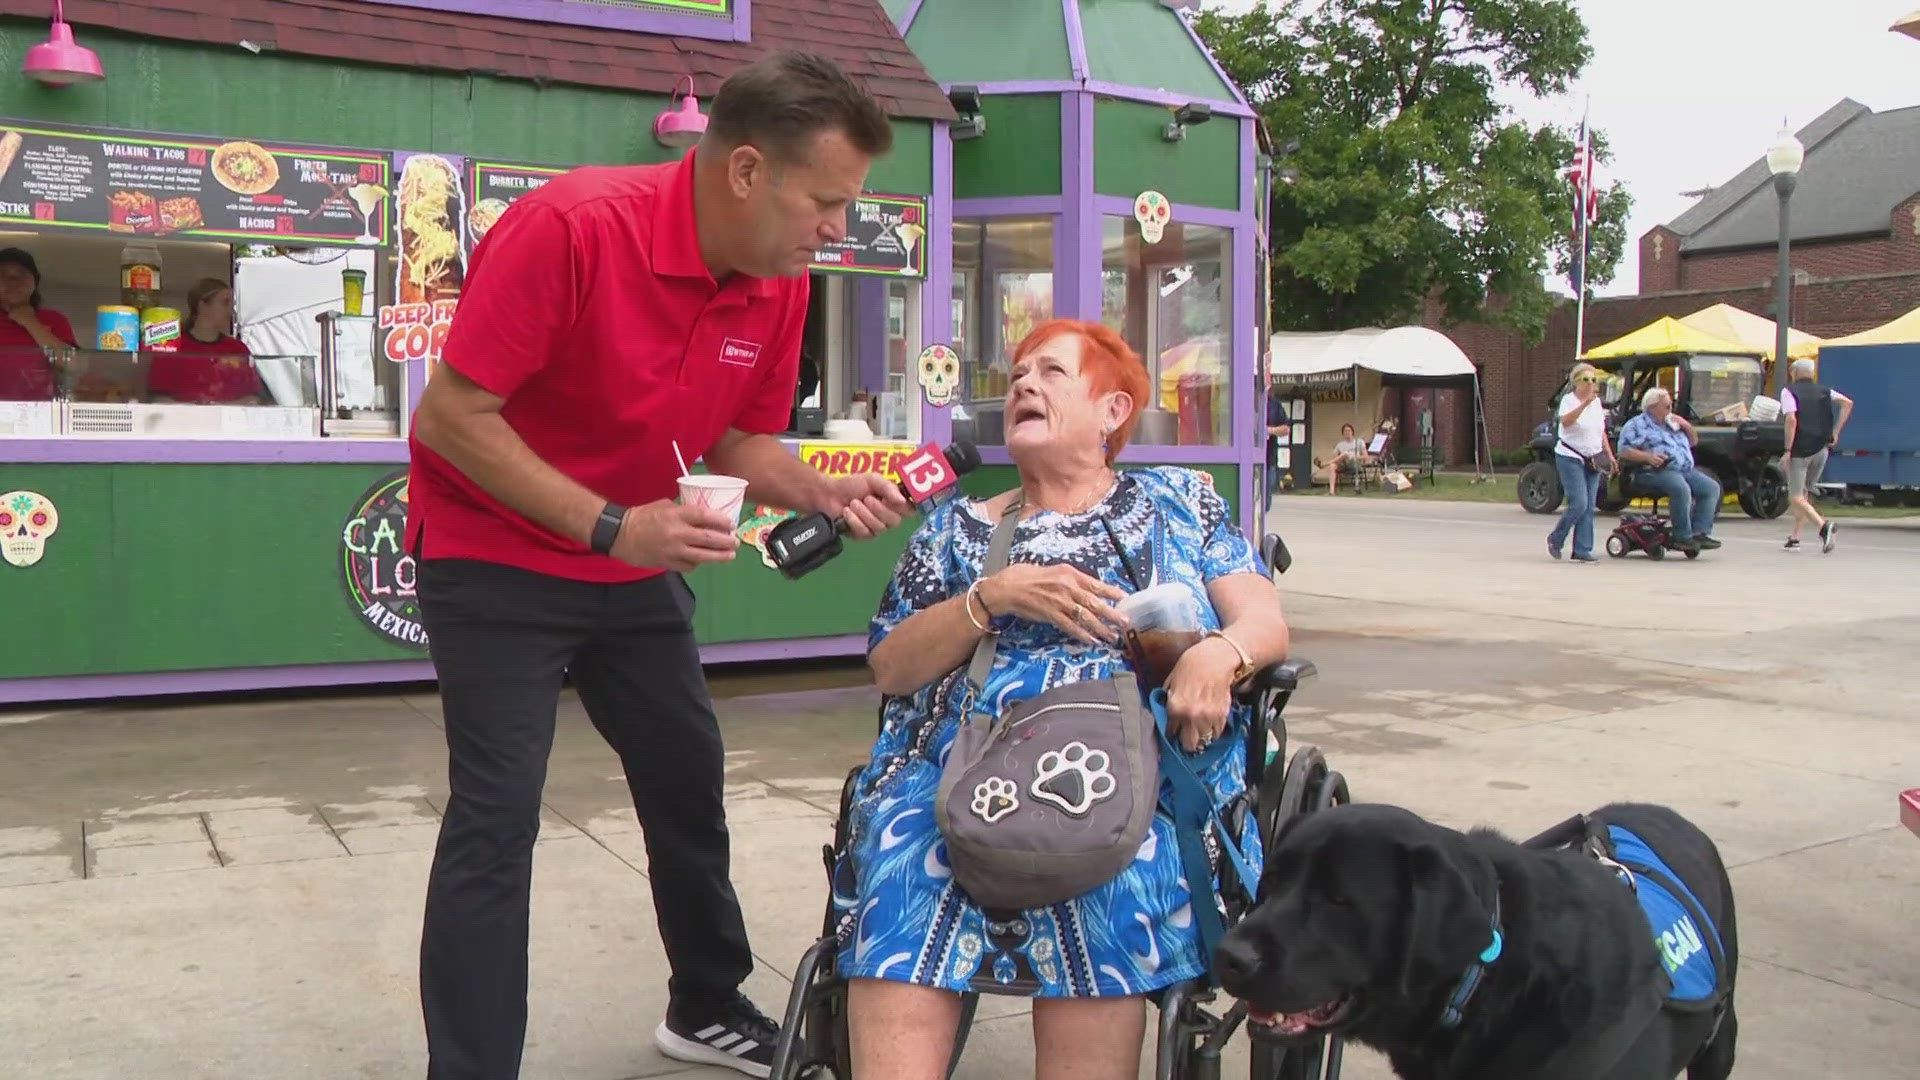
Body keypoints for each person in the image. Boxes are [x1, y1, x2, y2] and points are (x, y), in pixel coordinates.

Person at [405, 52, 908, 1080]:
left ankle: (707, 1002)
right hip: (495, 554)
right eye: (826, 201)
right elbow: (453, 418)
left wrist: (816, 487)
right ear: (745, 172)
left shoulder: (779, 281)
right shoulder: (574, 227)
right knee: (496, 818)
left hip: (630, 565)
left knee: (687, 774)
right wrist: (608, 528)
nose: (835, 228)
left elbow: (738, 441)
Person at [839, 319, 1292, 1078]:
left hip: (1140, 757)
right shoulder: (957, 530)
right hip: (962, 761)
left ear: (1113, 411)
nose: (1023, 384)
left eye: (1051, 372)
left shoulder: (1181, 503)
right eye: (1017, 374)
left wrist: (1222, 653)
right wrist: (990, 598)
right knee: (904, 861)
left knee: (1115, 862)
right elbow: (890, 667)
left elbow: (1263, 617)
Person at [1617, 387, 1721, 556]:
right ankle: (1682, 536)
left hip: (1682, 469)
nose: (1670, 409)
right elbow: (1624, 450)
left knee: (1711, 488)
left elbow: (1693, 441)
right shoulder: (1637, 424)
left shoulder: (1672, 423)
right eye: (1666, 406)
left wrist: (1685, 424)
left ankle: (1699, 533)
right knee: (1680, 488)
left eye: (1671, 405)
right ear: (1652, 407)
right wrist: (1648, 457)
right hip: (1651, 470)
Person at [148, 278, 266, 404]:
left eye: (232, 304)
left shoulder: (237, 349)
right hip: (182, 422)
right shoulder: (173, 347)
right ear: (202, 305)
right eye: (225, 302)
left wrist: (221, 409)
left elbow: (253, 398)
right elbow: (158, 398)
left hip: (229, 421)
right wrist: (194, 412)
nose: (231, 310)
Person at [1779, 357, 1852, 553]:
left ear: (1794, 373)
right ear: (1812, 373)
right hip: (1821, 449)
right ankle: (1795, 538)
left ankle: (1823, 527)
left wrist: (1787, 450)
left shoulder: (1789, 391)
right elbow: (1847, 403)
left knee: (1795, 497)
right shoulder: (1825, 391)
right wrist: (1836, 431)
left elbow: (1791, 420)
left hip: (1800, 450)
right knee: (1804, 494)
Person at [1547, 363, 1615, 563]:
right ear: (1576, 382)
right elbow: (1566, 422)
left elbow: (1599, 430)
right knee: (1579, 503)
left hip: (1592, 458)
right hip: (1570, 456)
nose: (1591, 384)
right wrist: (1584, 403)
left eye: (1594, 380)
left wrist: (1608, 454)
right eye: (1586, 380)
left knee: (1589, 506)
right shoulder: (1569, 400)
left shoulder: (1597, 404)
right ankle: (1556, 538)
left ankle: (1582, 549)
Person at [0, 247, 77, 401]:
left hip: (40, 413)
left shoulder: (53, 320)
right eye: (3, 275)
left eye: (21, 275)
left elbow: (73, 365)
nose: (13, 281)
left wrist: (30, 322)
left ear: (35, 281)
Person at [1326, 422, 1371, 495]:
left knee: (1346, 454)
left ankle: (1326, 463)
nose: (1347, 432)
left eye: (1349, 430)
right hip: (1343, 464)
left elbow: (1366, 456)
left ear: (1352, 432)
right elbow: (1336, 458)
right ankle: (1331, 491)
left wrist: (1354, 456)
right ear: (1343, 433)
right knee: (1332, 465)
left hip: (1355, 464)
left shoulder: (1359, 442)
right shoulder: (1340, 444)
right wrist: (1341, 458)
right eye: (1345, 431)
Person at [1264, 389, 1290, 503]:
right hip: (1244, 459)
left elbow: (1286, 429)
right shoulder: (1241, 402)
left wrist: (1270, 430)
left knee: (1265, 501)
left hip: (1269, 459)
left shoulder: (1274, 404)